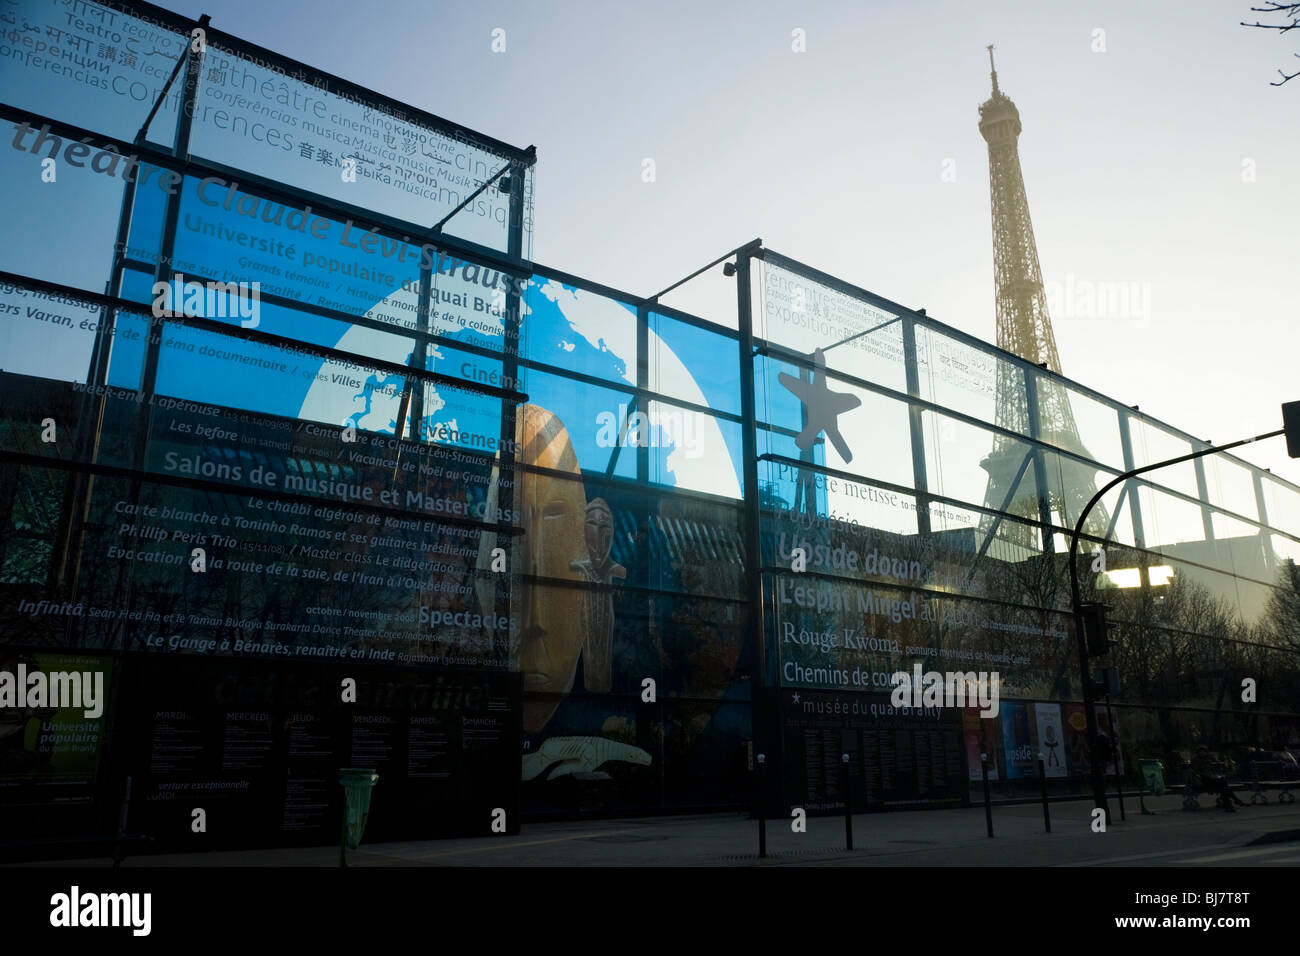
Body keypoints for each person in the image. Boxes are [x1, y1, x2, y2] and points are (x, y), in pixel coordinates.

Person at [1193, 746, 1246, 811]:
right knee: (1223, 784)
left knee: (1223, 785)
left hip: (1211, 779)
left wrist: (1215, 763)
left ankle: (1229, 805)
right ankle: (1234, 800)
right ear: (1198, 753)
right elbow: (1197, 771)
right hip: (1203, 779)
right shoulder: (1196, 760)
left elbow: (1217, 763)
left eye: (1204, 751)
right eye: (1201, 752)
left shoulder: (1209, 758)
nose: (1202, 753)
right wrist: (1209, 775)